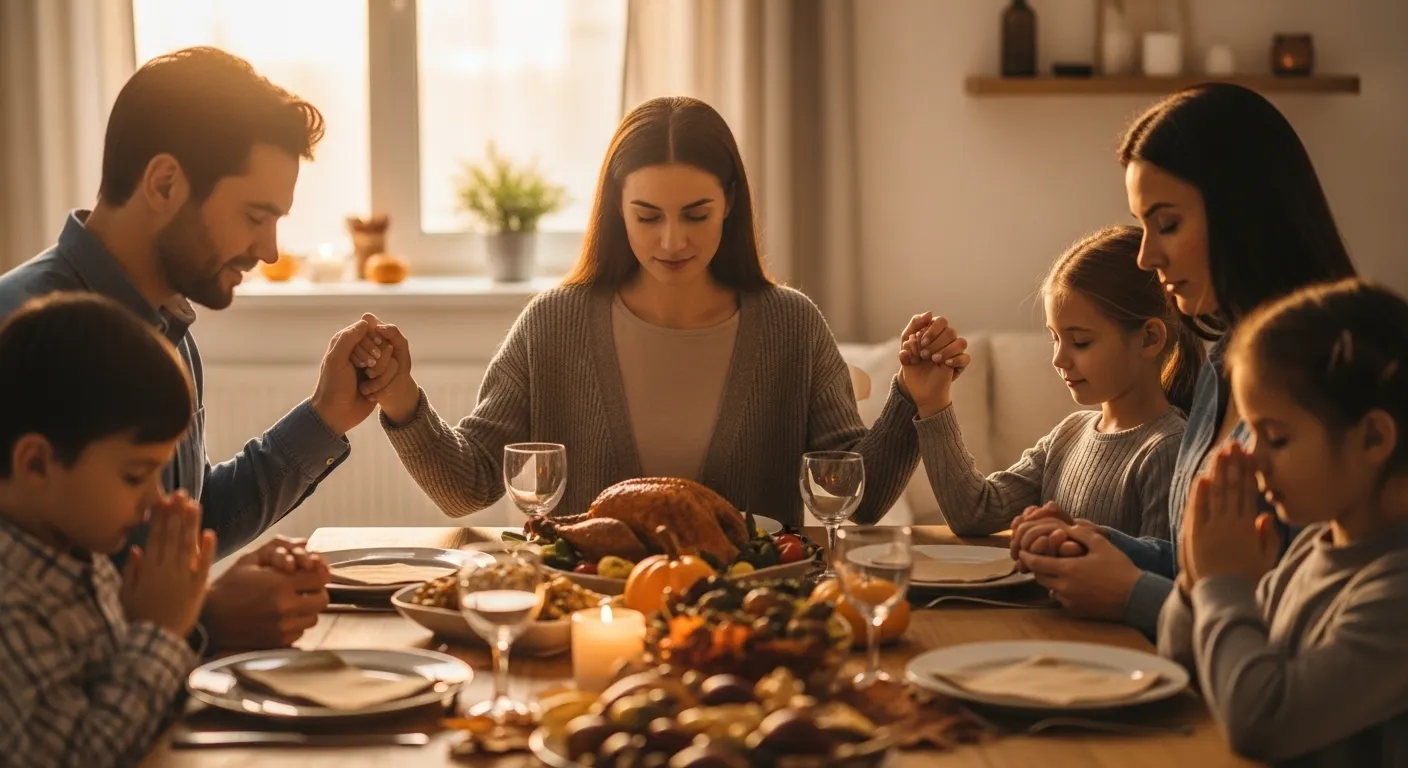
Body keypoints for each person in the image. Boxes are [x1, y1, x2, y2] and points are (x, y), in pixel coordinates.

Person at [356, 96, 931, 525]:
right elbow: (469, 484)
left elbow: (862, 497)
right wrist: (399, 395)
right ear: (617, 209)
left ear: (729, 201)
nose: (672, 241)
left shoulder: (791, 325)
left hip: (752, 625)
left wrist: (912, 395)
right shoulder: (554, 323)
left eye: (696, 214)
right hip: (592, 616)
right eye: (648, 216)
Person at [0, 47, 401, 650]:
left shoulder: (169, 327)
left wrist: (326, 418)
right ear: (164, 183)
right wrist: (206, 619)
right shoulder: (22, 333)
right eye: (255, 215)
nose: (268, 250)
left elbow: (182, 523)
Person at [1006, 83, 1357, 631]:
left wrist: (1132, 594)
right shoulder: (1221, 369)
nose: (1147, 255)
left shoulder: (1333, 384)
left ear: (1242, 213)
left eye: (1166, 224)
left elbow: (1296, 623)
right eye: (1143, 225)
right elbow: (1204, 569)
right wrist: (1096, 543)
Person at [1161, 279, 1408, 764]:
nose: (1253, 460)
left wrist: (1224, 583)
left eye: (1275, 437)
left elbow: (1263, 720)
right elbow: (1183, 666)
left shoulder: (1396, 591)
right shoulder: (1311, 548)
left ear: (1373, 438)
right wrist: (1195, 580)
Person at [0, 294, 216, 766]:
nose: (157, 499)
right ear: (36, 464)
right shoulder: (12, 605)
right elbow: (82, 757)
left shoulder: (77, 550)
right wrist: (159, 631)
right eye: (135, 475)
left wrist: (148, 627)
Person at [899, 226, 1200, 540]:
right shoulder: (1068, 436)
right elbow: (974, 513)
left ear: (1149, 339)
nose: (1059, 360)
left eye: (1080, 342)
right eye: (1055, 339)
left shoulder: (1167, 449)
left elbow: (1161, 574)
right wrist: (934, 402)